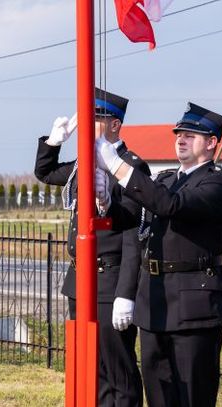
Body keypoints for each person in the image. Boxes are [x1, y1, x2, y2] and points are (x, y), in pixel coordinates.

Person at [94, 102, 222, 407]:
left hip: (193, 307)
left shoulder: (218, 183)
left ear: (212, 143)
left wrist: (118, 166)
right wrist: (106, 204)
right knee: (158, 393)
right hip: (154, 301)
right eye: (179, 134)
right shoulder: (166, 180)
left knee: (191, 395)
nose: (181, 139)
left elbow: (171, 205)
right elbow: (132, 220)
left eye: (190, 135)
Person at [34, 89, 149, 407]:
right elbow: (45, 173)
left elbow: (133, 233)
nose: (87, 126)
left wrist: (126, 293)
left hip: (109, 281)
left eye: (95, 119)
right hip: (80, 279)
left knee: (117, 368)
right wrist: (53, 142)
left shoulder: (130, 167)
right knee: (90, 366)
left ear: (114, 124)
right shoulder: (83, 163)